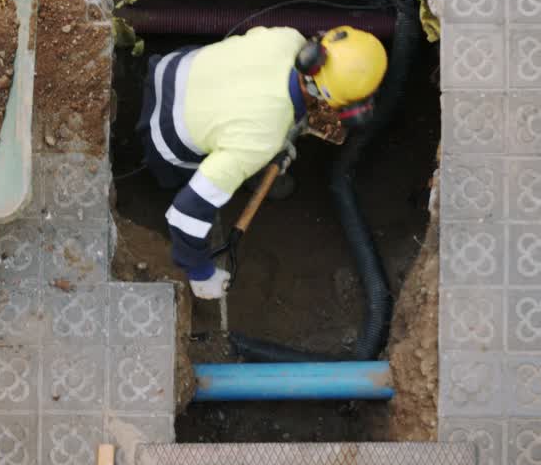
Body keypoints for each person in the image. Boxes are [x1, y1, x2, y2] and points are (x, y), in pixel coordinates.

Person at [139, 25, 388, 299]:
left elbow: (257, 93)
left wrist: (278, 137)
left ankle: (243, 161)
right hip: (164, 136)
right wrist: (200, 274)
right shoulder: (259, 138)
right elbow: (186, 213)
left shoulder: (288, 38)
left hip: (173, 67)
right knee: (191, 173)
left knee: (247, 143)